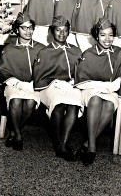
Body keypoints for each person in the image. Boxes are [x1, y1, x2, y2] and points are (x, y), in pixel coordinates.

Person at [74, 17, 121, 166]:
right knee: (96, 100)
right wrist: (101, 86)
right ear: (96, 36)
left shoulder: (119, 53)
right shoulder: (88, 54)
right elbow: (81, 80)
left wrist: (112, 86)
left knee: (109, 105)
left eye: (110, 35)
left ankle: (87, 143)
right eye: (103, 35)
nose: (107, 39)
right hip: (90, 90)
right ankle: (92, 147)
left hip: (110, 90)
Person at [33, 15, 83, 161]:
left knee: (74, 105)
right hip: (49, 87)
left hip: (70, 85)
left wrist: (74, 81)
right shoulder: (44, 52)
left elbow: (82, 72)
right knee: (60, 104)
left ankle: (64, 144)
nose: (62, 34)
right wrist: (56, 83)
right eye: (58, 30)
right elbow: (39, 77)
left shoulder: (76, 51)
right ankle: (57, 143)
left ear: (69, 32)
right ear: (51, 32)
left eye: (65, 30)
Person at [0, 12, 45, 150]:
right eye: (24, 28)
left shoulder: (41, 48)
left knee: (30, 103)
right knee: (16, 100)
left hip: (33, 85)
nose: (28, 31)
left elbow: (46, 69)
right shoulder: (9, 49)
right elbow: (3, 70)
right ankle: (18, 135)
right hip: (14, 83)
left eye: (30, 27)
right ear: (17, 30)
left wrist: (35, 83)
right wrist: (17, 83)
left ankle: (14, 130)